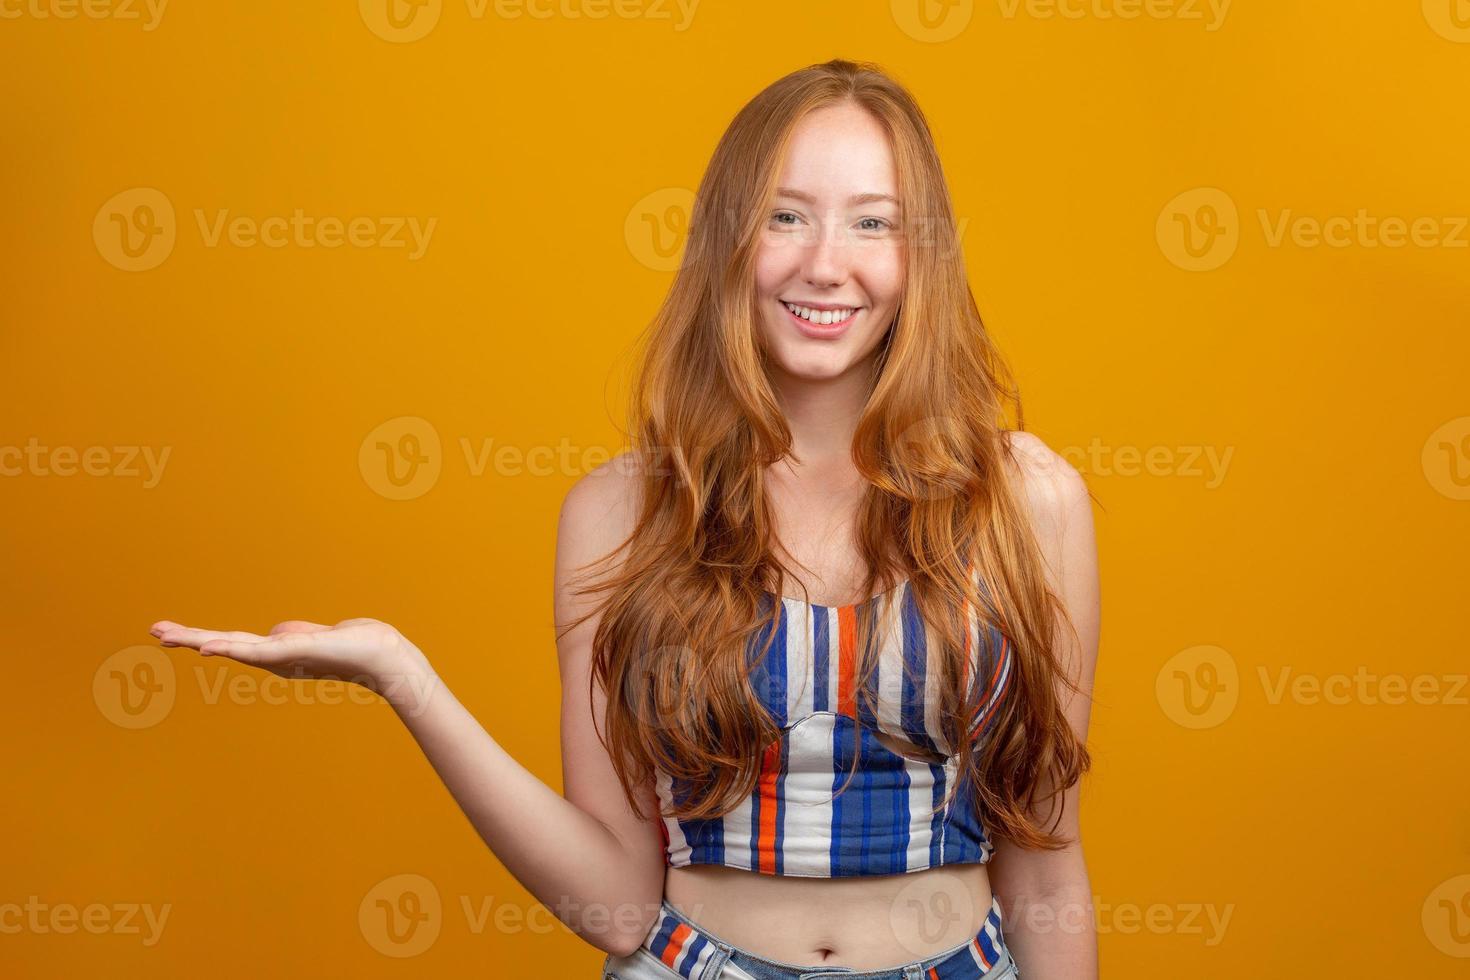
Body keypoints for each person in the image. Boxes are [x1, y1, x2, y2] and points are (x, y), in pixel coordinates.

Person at [149, 58, 1100, 980]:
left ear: (920, 252)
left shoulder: (1027, 504)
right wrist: (406, 678)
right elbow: (615, 902)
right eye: (786, 216)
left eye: (872, 224)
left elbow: (1047, 860)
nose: (825, 263)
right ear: (730, 239)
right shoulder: (620, 511)